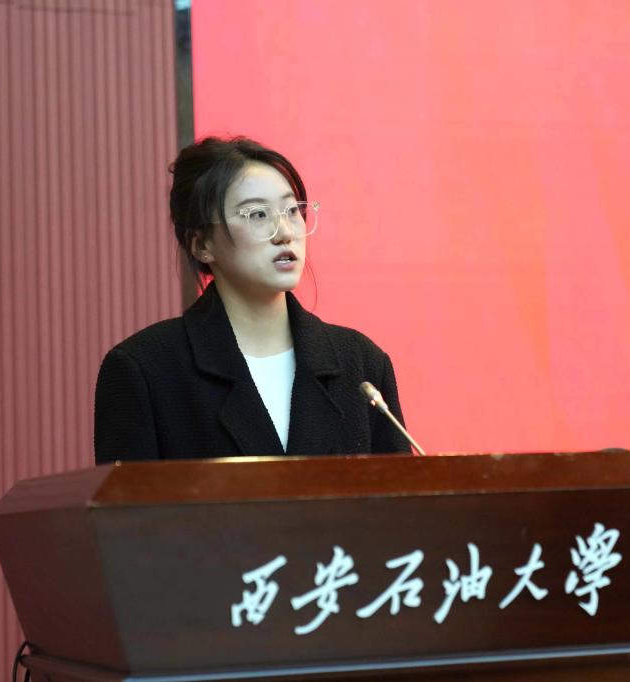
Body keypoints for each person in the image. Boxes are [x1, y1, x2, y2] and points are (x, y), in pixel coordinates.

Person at [93, 136, 410, 463]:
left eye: (291, 211)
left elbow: (402, 494)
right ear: (201, 244)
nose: (285, 232)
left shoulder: (361, 364)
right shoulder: (145, 370)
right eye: (257, 214)